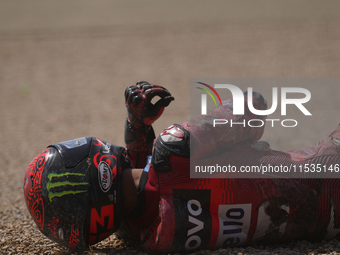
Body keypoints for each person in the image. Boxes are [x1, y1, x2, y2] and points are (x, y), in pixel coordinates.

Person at [23, 81, 340, 253]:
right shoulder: (173, 149)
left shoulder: (149, 236)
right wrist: (193, 129)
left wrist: (137, 127)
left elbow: (148, 186)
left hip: (325, 219)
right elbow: (254, 108)